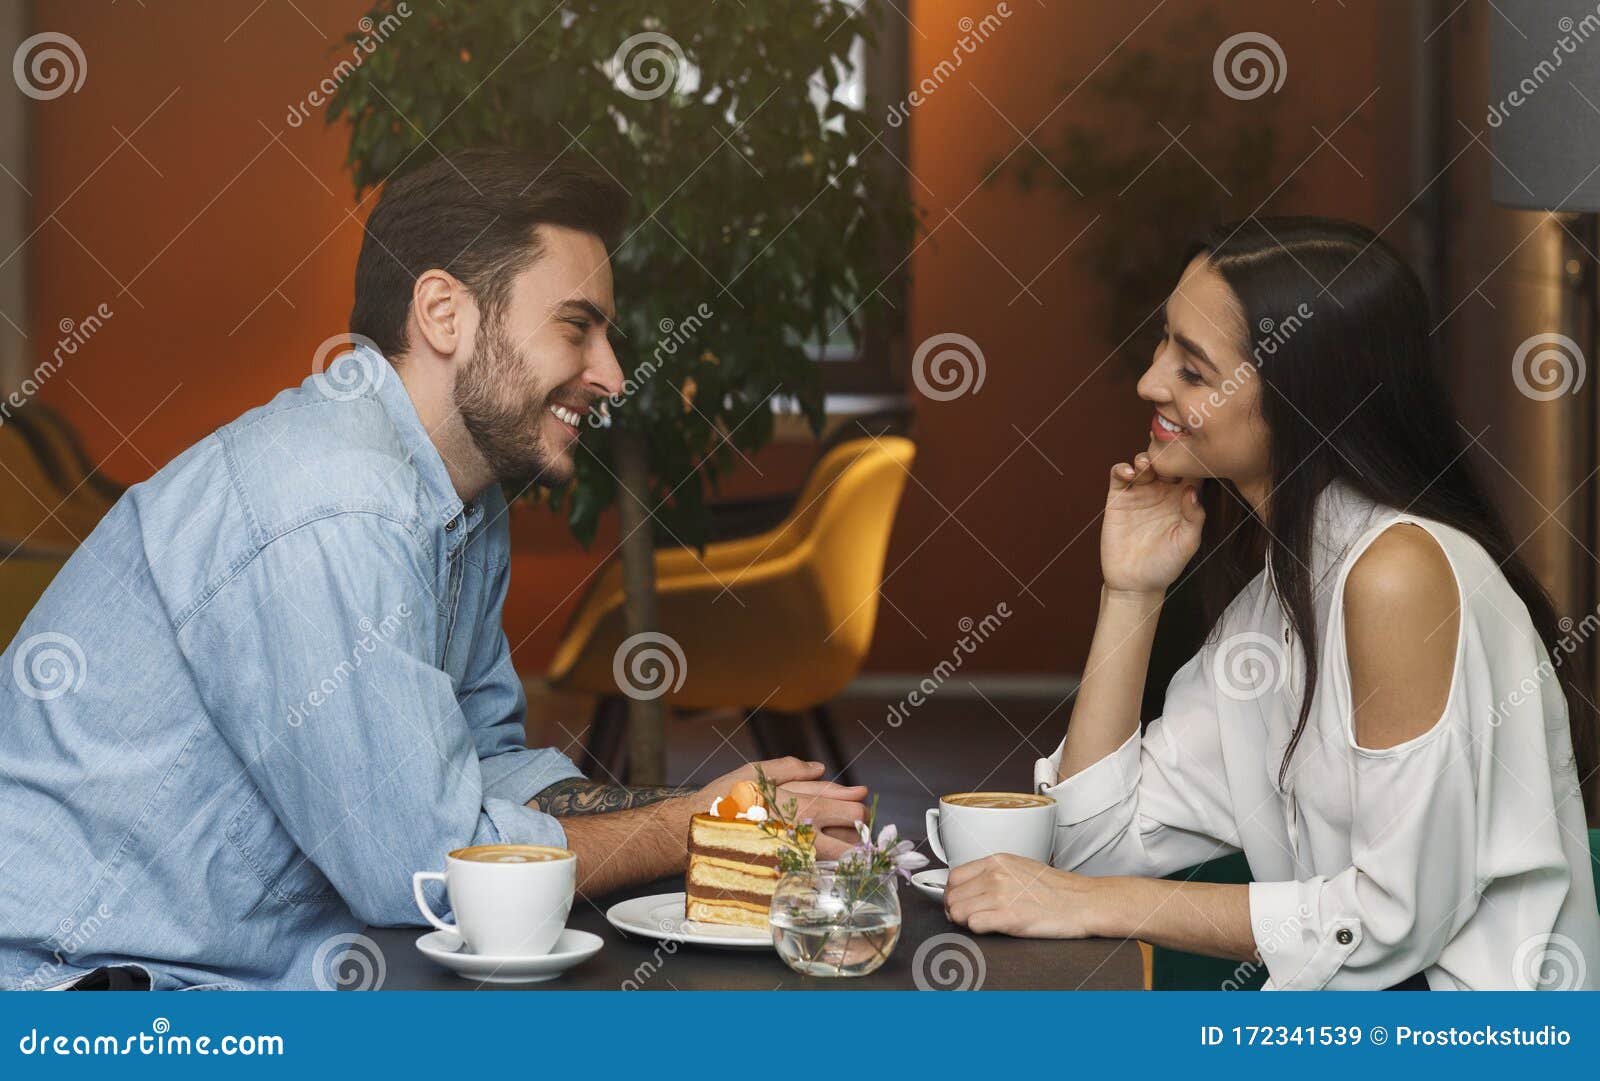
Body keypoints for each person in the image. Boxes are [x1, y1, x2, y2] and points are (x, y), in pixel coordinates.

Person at [0, 149, 868, 990]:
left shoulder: (461, 497)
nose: (610, 371)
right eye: (578, 327)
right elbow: (424, 870)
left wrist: (710, 807)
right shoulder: (336, 502)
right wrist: (690, 829)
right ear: (444, 314)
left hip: (241, 967)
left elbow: (483, 765)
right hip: (81, 994)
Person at [943, 217, 1600, 990]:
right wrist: (1131, 592)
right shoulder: (1279, 597)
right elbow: (1089, 844)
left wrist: (1100, 904)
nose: (1149, 381)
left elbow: (1392, 919)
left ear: (1300, 396)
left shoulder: (1398, 573)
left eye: (1192, 369)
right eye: (1164, 344)